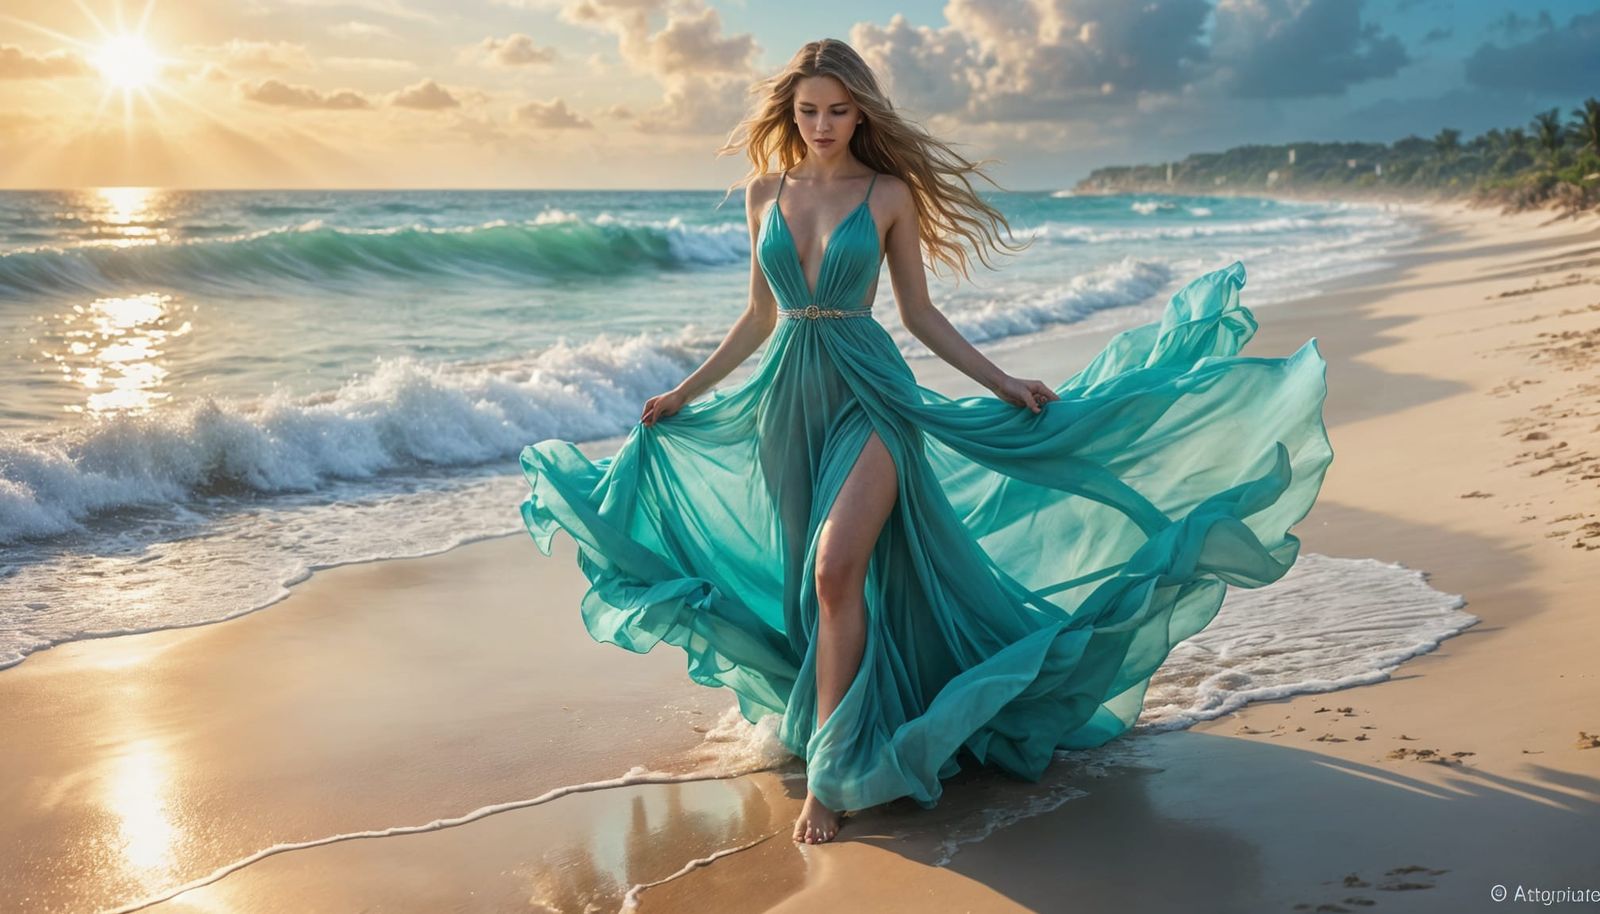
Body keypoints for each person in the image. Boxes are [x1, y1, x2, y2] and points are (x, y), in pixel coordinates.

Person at [519, 39, 1333, 846]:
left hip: (873, 399)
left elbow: (919, 315)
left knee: (839, 571)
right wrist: (684, 392)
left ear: (862, 109)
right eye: (808, 110)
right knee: (816, 589)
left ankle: (833, 783)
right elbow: (758, 318)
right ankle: (845, 723)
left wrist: (1002, 381)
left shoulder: (888, 193)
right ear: (789, 112)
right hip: (785, 406)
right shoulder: (766, 191)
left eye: (838, 109)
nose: (822, 123)